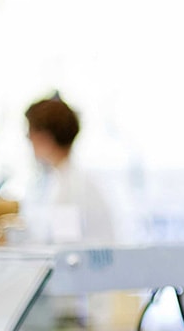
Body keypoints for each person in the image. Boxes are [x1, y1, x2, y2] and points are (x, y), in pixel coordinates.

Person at [20, 93, 117, 245]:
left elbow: (66, 248)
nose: (28, 140)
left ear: (44, 137)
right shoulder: (67, 180)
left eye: (29, 134)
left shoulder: (69, 189)